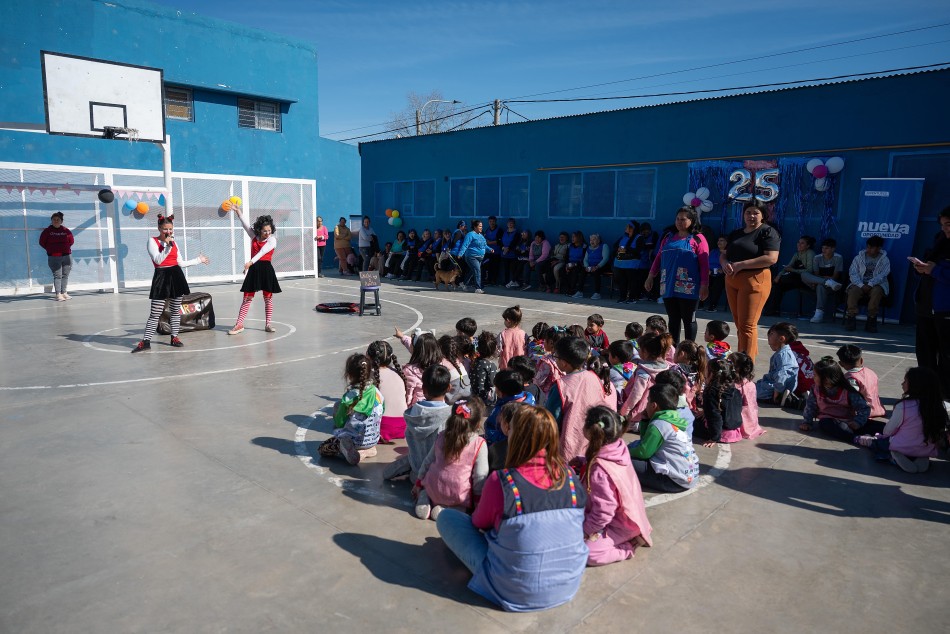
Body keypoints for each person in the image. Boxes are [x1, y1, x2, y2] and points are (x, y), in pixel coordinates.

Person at [435, 405, 588, 612]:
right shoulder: (571, 477)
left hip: (513, 590)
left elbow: (478, 523)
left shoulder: (503, 482)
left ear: (515, 437)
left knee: (447, 518)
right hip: (568, 586)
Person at [577, 406, 653, 566]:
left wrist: (585, 531)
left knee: (588, 553)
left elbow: (604, 512)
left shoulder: (600, 470)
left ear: (591, 430)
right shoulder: (617, 447)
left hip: (619, 524)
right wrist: (582, 461)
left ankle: (628, 547)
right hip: (624, 515)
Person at [131, 214, 209, 352]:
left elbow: (180, 263)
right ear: (159, 228)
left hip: (176, 276)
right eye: (165, 229)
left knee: (175, 310)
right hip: (161, 277)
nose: (168, 232)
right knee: (155, 312)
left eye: (171, 229)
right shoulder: (152, 241)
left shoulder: (174, 243)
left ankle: (174, 337)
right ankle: (146, 342)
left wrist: (198, 260)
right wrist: (167, 246)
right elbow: (158, 260)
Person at [854, 367, 948, 473]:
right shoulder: (938, 406)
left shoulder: (903, 406)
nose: (902, 384)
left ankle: (892, 455)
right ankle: (920, 456)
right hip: (926, 448)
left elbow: (888, 431)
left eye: (905, 381)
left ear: (915, 386)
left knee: (879, 442)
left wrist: (887, 436)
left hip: (902, 446)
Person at [720, 201, 782, 361]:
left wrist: (741, 265)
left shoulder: (768, 232)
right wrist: (724, 263)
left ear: (763, 215)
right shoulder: (736, 233)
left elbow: (771, 258)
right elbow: (724, 254)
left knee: (747, 325)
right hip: (732, 280)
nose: (751, 216)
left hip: (754, 280)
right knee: (739, 324)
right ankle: (744, 357)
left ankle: (745, 366)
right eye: (748, 212)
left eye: (755, 213)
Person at [414, 398, 489, 520]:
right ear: (478, 424)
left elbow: (428, 461)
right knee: (463, 508)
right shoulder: (479, 444)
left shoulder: (442, 436)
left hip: (433, 486)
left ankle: (425, 498)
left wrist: (418, 482)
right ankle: (446, 510)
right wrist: (477, 502)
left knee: (428, 486)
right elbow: (480, 476)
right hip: (457, 496)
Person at [644, 206, 710, 342]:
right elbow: (658, 258)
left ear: (692, 220)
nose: (680, 222)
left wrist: (704, 285)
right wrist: (651, 276)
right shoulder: (668, 237)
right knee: (673, 319)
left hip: (689, 287)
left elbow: (704, 264)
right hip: (668, 284)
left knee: (688, 319)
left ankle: (689, 349)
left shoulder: (698, 238)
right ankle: (674, 349)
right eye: (678, 219)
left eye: (683, 219)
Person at [546, 337, 614, 462]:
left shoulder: (561, 386)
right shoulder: (594, 378)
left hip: (567, 446)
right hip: (591, 442)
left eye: (556, 357)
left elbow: (551, 420)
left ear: (564, 363)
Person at [383, 364, 452, 483]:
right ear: (449, 387)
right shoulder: (451, 415)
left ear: (423, 389)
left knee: (395, 468)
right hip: (437, 474)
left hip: (416, 469)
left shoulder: (413, 412)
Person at [629, 383, 700, 493]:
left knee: (622, 460)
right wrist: (645, 421)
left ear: (654, 405)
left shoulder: (659, 424)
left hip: (672, 481)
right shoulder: (674, 419)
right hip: (689, 478)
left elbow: (643, 452)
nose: (646, 404)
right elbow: (646, 442)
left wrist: (625, 451)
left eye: (648, 401)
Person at [912, 205, 950, 398]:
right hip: (926, 307)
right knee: (925, 352)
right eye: (943, 225)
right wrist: (922, 268)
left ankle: (945, 395)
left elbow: (940, 271)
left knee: (947, 356)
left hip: (946, 310)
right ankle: (925, 392)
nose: (945, 229)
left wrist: (934, 270)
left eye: (949, 224)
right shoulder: (940, 242)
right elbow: (931, 268)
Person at [319, 353, 384, 465]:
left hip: (355, 441)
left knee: (322, 448)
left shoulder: (349, 397)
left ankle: (347, 448)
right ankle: (368, 450)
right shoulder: (377, 393)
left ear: (349, 375)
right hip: (373, 438)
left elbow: (339, 423)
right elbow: (383, 410)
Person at [228, 210, 281, 335]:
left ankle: (268, 324)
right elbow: (245, 224)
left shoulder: (272, 240)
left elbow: (262, 252)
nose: (267, 233)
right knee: (247, 298)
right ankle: (239, 324)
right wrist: (238, 211)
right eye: (264, 231)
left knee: (268, 298)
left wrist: (250, 262)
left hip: (266, 270)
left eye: (269, 230)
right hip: (254, 271)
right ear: (259, 230)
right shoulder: (254, 237)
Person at [799, 357, 873, 443]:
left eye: (815, 375)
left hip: (848, 421)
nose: (813, 377)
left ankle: (884, 439)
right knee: (825, 424)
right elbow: (810, 406)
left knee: (879, 427)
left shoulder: (847, 391)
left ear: (826, 379)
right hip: (829, 421)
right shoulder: (815, 389)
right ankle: (856, 439)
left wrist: (858, 422)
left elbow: (864, 407)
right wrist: (807, 422)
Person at [619, 332, 674, 427]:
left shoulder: (643, 373)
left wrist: (624, 412)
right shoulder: (666, 367)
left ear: (645, 352)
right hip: (656, 412)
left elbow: (636, 395)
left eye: (640, 348)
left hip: (639, 415)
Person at [844, 235, 891, 332]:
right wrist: (861, 285)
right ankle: (851, 317)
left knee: (877, 291)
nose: (868, 249)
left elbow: (883, 275)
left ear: (879, 248)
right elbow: (852, 273)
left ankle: (871, 319)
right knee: (853, 291)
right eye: (868, 247)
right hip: (859, 283)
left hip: (876, 284)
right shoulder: (858, 258)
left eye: (872, 247)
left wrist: (870, 284)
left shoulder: (885, 260)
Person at [366, 340, 408, 443]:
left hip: (382, 428)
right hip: (403, 425)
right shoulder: (398, 373)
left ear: (368, 357)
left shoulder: (369, 376)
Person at [764, 235, 816, 316]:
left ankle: (771, 310)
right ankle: (772, 310)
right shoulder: (797, 254)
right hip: (795, 279)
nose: (799, 245)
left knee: (780, 281)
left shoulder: (810, 253)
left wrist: (793, 270)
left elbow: (810, 270)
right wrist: (779, 276)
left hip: (805, 280)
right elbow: (787, 267)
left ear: (808, 246)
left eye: (802, 243)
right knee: (777, 286)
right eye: (798, 242)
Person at [695, 358, 743, 446]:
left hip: (721, 433)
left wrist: (714, 438)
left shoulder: (710, 392)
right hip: (735, 432)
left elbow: (714, 417)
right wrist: (706, 411)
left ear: (711, 374)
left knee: (690, 422)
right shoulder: (733, 388)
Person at [395, 327, 445, 407]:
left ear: (416, 349)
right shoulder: (441, 365)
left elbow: (407, 396)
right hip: (438, 405)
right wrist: (403, 337)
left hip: (416, 410)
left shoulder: (409, 371)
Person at [484, 369, 535, 445]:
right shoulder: (529, 398)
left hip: (503, 446)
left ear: (501, 392)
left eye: (496, 388)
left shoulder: (504, 409)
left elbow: (495, 429)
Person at [755, 322, 800, 406]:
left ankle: (777, 398)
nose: (768, 337)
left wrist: (777, 393)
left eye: (771, 334)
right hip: (774, 384)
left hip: (775, 389)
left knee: (748, 392)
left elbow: (782, 375)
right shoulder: (782, 352)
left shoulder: (783, 355)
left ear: (781, 339)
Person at [724, 352, 767, 442]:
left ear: (737, 368)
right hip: (751, 420)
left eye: (728, 362)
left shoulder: (734, 386)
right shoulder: (750, 383)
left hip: (739, 420)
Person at [836, 344, 885, 418]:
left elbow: (851, 398)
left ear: (841, 364)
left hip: (863, 412)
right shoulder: (871, 372)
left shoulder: (850, 378)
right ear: (861, 360)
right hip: (878, 409)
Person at [803, 238, 845, 323]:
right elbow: (816, 274)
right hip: (817, 283)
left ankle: (819, 313)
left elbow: (835, 276)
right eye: (823, 248)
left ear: (833, 249)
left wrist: (823, 279)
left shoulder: (838, 258)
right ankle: (826, 282)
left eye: (826, 248)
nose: (823, 250)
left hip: (833, 286)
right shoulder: (817, 258)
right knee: (804, 274)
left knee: (820, 286)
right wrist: (825, 280)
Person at [38, 211, 75, 301]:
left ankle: (64, 292)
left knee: (65, 275)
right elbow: (42, 242)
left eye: (58, 219)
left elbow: (71, 241)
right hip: (54, 257)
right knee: (57, 275)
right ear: (51, 221)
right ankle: (58, 294)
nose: (56, 221)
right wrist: (51, 249)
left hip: (67, 256)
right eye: (54, 219)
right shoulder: (47, 231)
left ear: (61, 221)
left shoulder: (66, 230)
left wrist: (65, 249)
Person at [457, 219, 492, 293]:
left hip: (480, 257)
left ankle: (463, 283)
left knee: (473, 271)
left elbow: (484, 245)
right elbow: (465, 245)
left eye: (481, 226)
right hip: (471, 256)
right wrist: (460, 254)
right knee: (477, 270)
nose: (481, 228)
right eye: (480, 226)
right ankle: (478, 288)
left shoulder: (481, 235)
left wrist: (490, 249)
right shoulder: (470, 234)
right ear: (475, 227)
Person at [611, 221, 642, 303]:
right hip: (620, 263)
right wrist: (618, 249)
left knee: (632, 282)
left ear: (632, 228)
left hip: (631, 264)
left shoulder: (639, 237)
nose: (626, 228)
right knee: (622, 281)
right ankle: (622, 297)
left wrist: (626, 249)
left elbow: (638, 251)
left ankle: (632, 298)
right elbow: (615, 246)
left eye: (628, 227)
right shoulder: (623, 237)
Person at [470, 331, 499, 405]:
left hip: (473, 394)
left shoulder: (476, 361)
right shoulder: (490, 365)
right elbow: (492, 383)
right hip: (484, 398)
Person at [701, 235, 728, 311]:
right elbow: (706, 262)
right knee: (704, 283)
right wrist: (708, 270)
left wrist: (723, 270)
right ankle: (700, 303)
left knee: (717, 285)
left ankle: (712, 305)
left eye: (721, 240)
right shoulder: (713, 251)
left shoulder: (728, 252)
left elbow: (731, 263)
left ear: (727, 242)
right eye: (718, 240)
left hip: (721, 274)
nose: (719, 242)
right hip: (710, 273)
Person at [581, 233, 611, 300]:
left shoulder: (604, 246)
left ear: (598, 240)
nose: (592, 241)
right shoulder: (588, 248)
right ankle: (579, 292)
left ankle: (597, 293)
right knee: (582, 271)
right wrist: (586, 267)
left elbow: (605, 258)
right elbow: (585, 259)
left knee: (596, 272)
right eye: (591, 240)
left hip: (602, 266)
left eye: (594, 239)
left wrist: (597, 266)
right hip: (591, 266)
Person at [498, 305, 526, 370]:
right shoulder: (523, 334)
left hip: (506, 367)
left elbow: (498, 350)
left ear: (508, 320)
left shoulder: (502, 334)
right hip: (520, 366)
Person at [500, 219, 522, 288]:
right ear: (507, 224)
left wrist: (508, 248)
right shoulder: (504, 232)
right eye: (509, 223)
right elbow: (500, 241)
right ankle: (505, 282)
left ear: (514, 224)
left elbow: (515, 242)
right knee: (506, 269)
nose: (510, 224)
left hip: (512, 255)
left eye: (512, 223)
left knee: (513, 270)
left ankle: (514, 282)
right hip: (504, 254)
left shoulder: (517, 233)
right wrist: (503, 247)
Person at [565, 231, 587, 297]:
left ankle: (572, 290)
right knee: (563, 271)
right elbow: (566, 257)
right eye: (572, 237)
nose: (572, 238)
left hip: (579, 264)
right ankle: (568, 289)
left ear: (579, 237)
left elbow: (584, 258)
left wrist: (575, 264)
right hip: (570, 264)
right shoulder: (569, 246)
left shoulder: (584, 246)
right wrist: (567, 265)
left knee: (574, 271)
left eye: (574, 237)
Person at [483, 216, 504, 285]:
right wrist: (487, 241)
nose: (492, 223)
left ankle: (493, 281)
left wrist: (490, 242)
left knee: (495, 267)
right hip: (488, 252)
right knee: (487, 266)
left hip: (496, 252)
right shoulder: (487, 230)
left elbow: (499, 241)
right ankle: (488, 280)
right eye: (490, 221)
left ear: (495, 221)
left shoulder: (499, 230)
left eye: (493, 221)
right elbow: (484, 239)